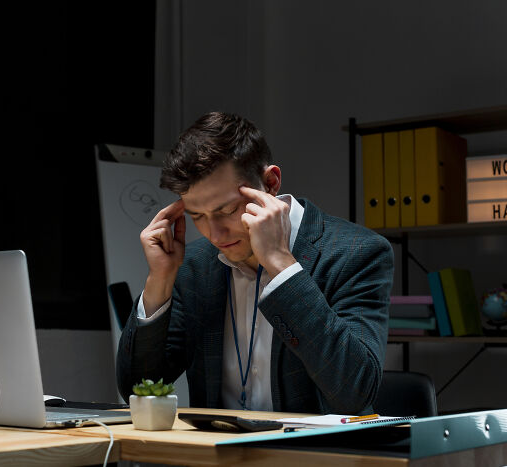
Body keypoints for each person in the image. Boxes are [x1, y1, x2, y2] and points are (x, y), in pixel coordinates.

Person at [116, 111, 394, 414]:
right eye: (197, 216)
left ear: (271, 182)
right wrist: (159, 282)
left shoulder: (357, 253)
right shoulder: (194, 266)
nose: (215, 233)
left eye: (227, 209)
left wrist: (282, 267)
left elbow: (357, 395)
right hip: (216, 453)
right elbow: (137, 388)